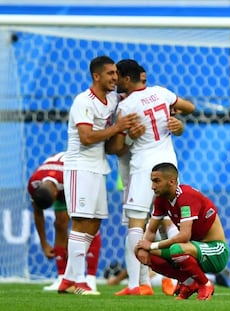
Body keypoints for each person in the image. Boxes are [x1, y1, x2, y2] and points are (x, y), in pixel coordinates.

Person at [105, 59, 195, 296]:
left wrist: (127, 137)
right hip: (169, 163)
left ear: (126, 79)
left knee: (136, 223)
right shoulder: (162, 93)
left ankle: (137, 285)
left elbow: (115, 148)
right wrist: (179, 124)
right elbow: (189, 107)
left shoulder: (126, 106)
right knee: (167, 220)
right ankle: (179, 279)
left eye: (117, 77)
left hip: (144, 166)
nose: (114, 81)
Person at [58, 55, 139, 295]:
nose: (115, 78)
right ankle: (79, 281)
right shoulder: (82, 101)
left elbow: (131, 97)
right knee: (81, 222)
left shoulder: (112, 98)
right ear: (96, 76)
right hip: (79, 167)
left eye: (116, 73)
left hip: (98, 167)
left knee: (94, 222)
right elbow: (86, 137)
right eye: (110, 74)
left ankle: (69, 278)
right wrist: (118, 127)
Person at [135, 162, 230, 301]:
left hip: (216, 251)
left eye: (157, 181)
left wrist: (152, 245)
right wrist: (144, 247)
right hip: (192, 249)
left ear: (172, 181)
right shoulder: (161, 200)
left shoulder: (186, 197)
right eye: (152, 181)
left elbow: (184, 236)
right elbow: (150, 231)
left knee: (177, 249)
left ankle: (206, 284)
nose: (152, 186)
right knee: (141, 252)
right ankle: (189, 283)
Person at [28, 152, 101, 291]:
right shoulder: (33, 183)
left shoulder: (67, 181)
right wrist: (44, 243)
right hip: (62, 178)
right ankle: (63, 277)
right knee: (60, 224)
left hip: (79, 176)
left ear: (55, 194)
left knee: (87, 224)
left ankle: (90, 278)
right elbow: (37, 212)